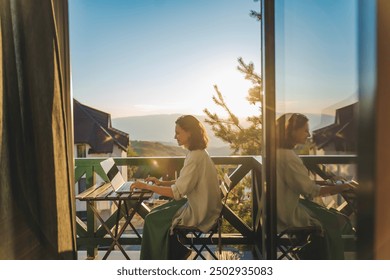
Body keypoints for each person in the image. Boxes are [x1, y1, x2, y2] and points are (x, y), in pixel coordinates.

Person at [131, 115, 222, 260]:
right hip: (204, 206)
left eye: (178, 132)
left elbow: (176, 193)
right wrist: (161, 183)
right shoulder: (199, 153)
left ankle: (158, 260)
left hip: (200, 212)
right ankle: (175, 251)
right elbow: (185, 182)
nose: (175, 136)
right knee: (156, 212)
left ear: (190, 132)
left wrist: (146, 186)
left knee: (151, 219)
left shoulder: (194, 157)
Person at [276, 113, 356, 259]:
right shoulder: (288, 158)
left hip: (278, 208)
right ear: (291, 131)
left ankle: (314, 251)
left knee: (329, 216)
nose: (308, 134)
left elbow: (298, 183)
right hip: (287, 213)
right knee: (341, 221)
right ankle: (330, 258)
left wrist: (326, 183)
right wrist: (343, 187)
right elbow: (310, 192)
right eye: (305, 130)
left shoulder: (278, 153)